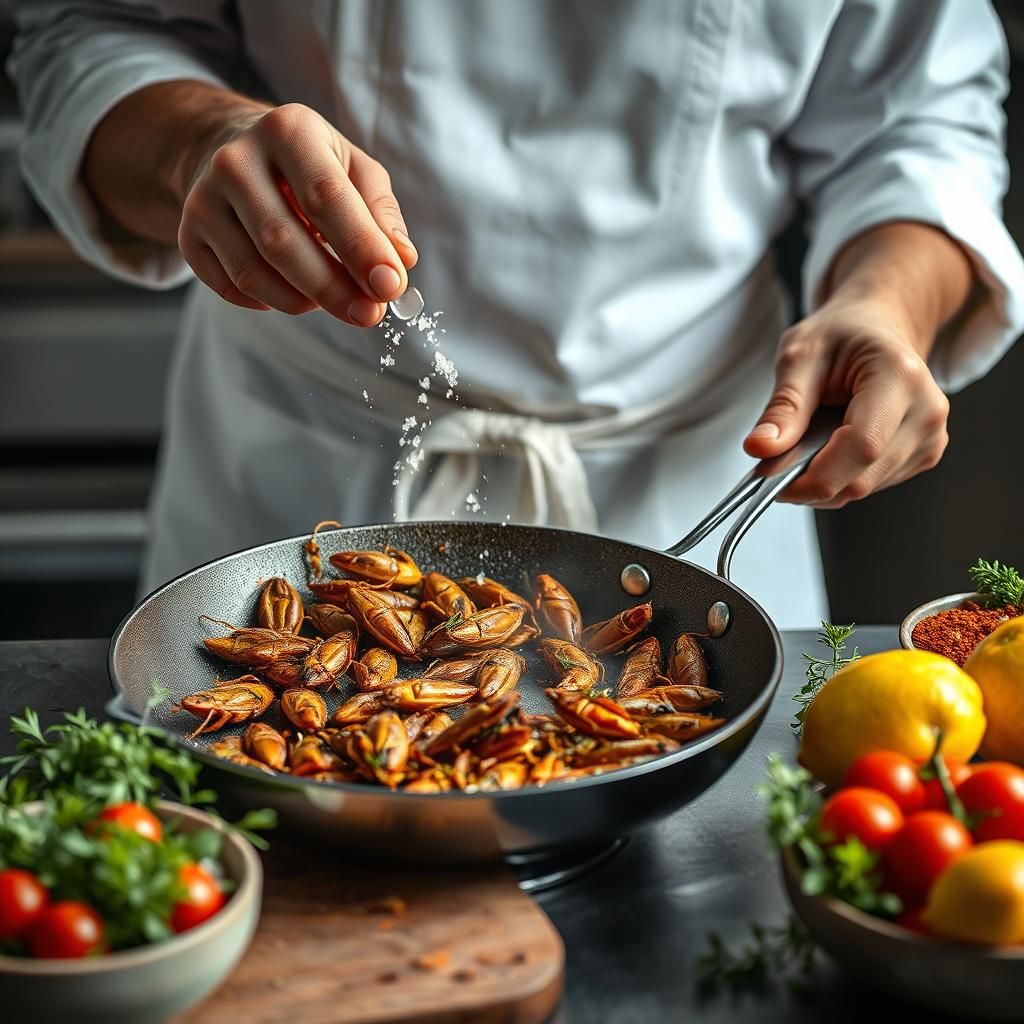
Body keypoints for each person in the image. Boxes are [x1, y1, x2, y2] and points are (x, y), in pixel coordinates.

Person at [10, 0, 1024, 627]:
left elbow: (918, 122)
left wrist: (886, 302)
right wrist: (200, 146)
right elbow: (85, 32)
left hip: (688, 480)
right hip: (302, 482)